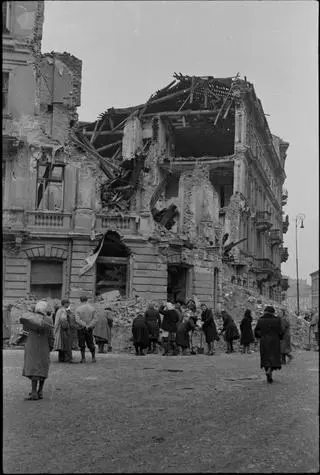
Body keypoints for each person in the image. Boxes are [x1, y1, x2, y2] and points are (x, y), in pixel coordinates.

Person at [21, 301, 54, 400]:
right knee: (43, 366)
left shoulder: (30, 318)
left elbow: (24, 332)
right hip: (44, 345)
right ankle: (40, 392)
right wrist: (51, 346)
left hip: (32, 344)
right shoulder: (48, 320)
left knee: (33, 366)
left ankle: (34, 392)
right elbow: (51, 335)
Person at [254, 305, 284, 383]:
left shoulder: (261, 320)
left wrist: (261, 336)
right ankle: (270, 370)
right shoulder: (277, 320)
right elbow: (280, 331)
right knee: (274, 357)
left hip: (264, 340)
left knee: (265, 356)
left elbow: (256, 331)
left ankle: (267, 371)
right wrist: (280, 338)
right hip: (275, 340)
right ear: (273, 312)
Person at [75, 294, 98, 363]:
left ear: (80, 300)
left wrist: (84, 325)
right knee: (90, 343)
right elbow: (95, 319)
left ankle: (83, 358)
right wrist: (89, 325)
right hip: (89, 329)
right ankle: (93, 358)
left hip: (81, 328)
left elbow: (77, 319)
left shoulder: (78, 309)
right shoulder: (92, 308)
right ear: (87, 300)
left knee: (81, 344)